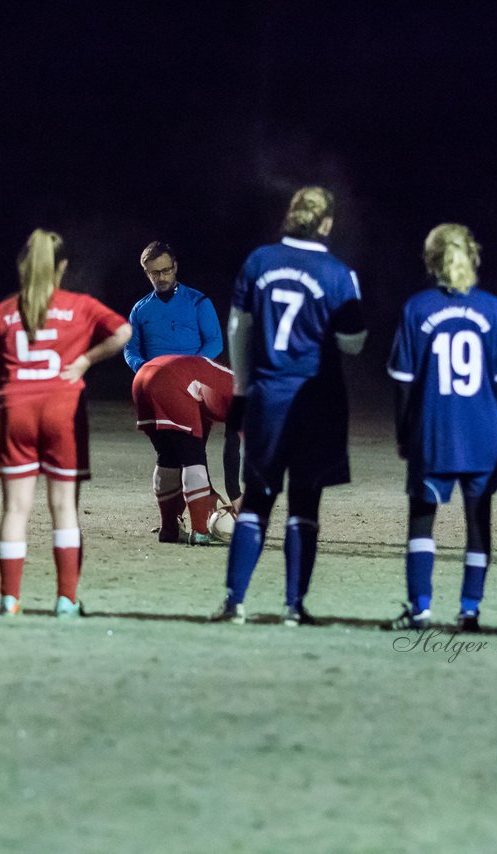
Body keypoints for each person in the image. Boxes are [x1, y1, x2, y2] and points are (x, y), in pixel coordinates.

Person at [211, 186, 366, 626]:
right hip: (317, 403)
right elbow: (354, 344)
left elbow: (238, 328)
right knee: (304, 504)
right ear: (328, 223)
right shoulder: (339, 274)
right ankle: (294, 607)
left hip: (266, 398)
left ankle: (233, 602)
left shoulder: (258, 262)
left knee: (257, 501)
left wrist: (242, 389)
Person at [0, 229, 132, 617]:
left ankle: (9, 599)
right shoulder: (79, 305)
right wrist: (85, 360)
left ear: (22, 265)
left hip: (16, 409)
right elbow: (123, 332)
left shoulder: (3, 312)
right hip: (62, 411)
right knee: (64, 508)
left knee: (15, 510)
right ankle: (66, 599)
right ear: (62, 266)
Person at [386, 224, 497, 633]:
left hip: (435, 430)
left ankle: (421, 610)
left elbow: (403, 384)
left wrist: (405, 434)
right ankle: (470, 611)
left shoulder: (418, 308)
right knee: (479, 523)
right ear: (472, 256)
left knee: (422, 520)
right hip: (483, 432)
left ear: (431, 259)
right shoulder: (493, 309)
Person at [131, 354, 241, 544]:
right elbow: (231, 451)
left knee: (169, 457)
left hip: (142, 377)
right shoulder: (246, 394)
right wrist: (236, 497)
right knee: (191, 458)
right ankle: (199, 532)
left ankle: (169, 529)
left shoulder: (218, 389)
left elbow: (197, 449)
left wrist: (210, 489)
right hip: (170, 379)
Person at [122, 241, 223, 372]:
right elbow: (130, 348)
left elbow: (215, 342)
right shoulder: (139, 309)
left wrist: (192, 367)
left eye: (166, 270)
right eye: (155, 273)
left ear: (174, 267)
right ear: (147, 273)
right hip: (157, 377)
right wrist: (142, 367)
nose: (161, 277)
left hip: (194, 376)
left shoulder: (199, 302)